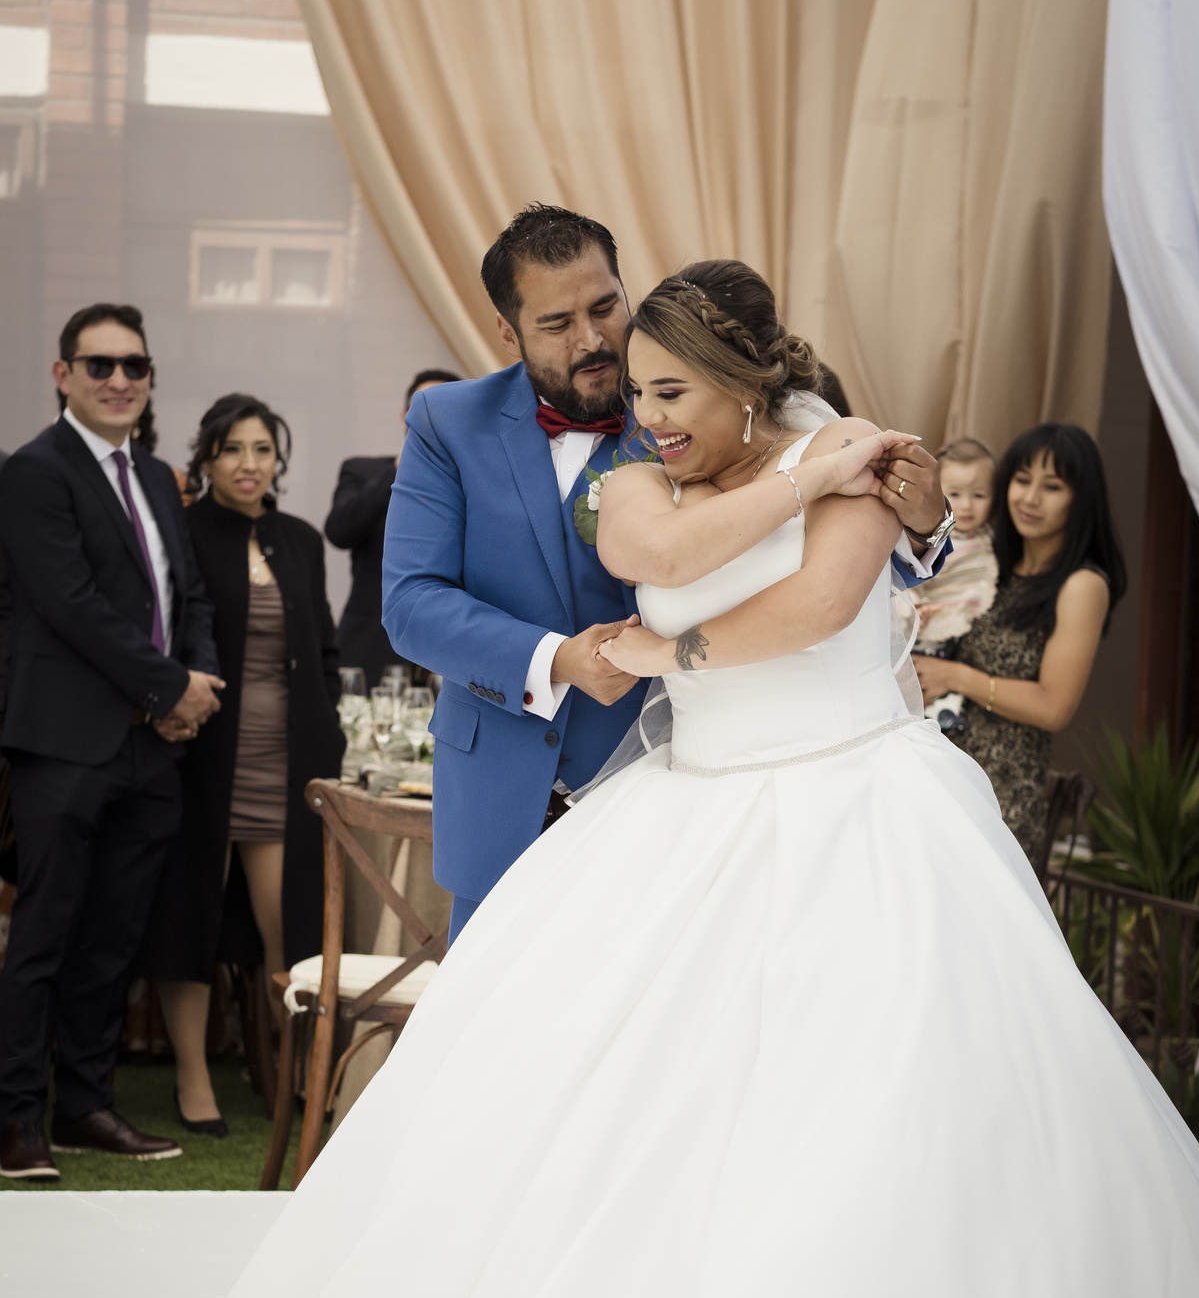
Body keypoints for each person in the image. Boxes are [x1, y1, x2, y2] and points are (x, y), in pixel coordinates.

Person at [225, 260, 1199, 1298]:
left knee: (892, 1124)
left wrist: (674, 635)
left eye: (674, 389)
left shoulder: (858, 478)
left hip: (858, 807)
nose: (650, 415)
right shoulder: (660, 476)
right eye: (638, 391)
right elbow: (653, 549)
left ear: (749, 383)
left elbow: (816, 608)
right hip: (699, 811)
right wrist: (809, 470)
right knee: (707, 1129)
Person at [381, 204, 953, 944]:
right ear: (507, 330)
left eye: (604, 306)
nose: (592, 340)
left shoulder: (696, 407)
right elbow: (411, 603)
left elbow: (831, 572)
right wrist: (554, 660)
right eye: (557, 323)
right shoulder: (445, 422)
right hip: (500, 795)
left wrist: (925, 523)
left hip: (671, 793)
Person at [0, 303, 222, 1180]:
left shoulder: (158, 479)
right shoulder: (33, 472)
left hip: (153, 751)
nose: (120, 380)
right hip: (66, 744)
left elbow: (189, 595)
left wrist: (196, 690)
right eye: (100, 366)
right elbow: (71, 606)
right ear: (63, 376)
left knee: (112, 940)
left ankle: (85, 1105)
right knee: (45, 938)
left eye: (135, 366)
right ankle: (17, 1121)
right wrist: (170, 687)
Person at [142, 395, 344, 1134]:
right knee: (187, 919)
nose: (249, 464)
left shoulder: (301, 538)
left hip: (286, 763)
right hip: (202, 757)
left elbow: (321, 646)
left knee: (287, 929)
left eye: (262, 450)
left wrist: (331, 741)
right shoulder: (184, 532)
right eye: (233, 450)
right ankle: (194, 1081)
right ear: (208, 459)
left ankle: (294, 1076)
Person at [913, 423, 1126, 862]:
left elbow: (1053, 707)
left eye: (1052, 486)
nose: (1030, 498)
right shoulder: (989, 566)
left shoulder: (1081, 585)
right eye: (1022, 480)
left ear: (1080, 498)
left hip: (1000, 794)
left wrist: (956, 676)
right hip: (941, 775)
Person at [325, 369, 462, 689]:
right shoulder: (362, 470)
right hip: (371, 649)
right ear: (404, 417)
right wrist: (402, 469)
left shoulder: (476, 484)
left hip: (452, 653)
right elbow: (338, 531)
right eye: (422, 410)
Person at [912, 438, 998, 734]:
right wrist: (913, 607)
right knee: (923, 677)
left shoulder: (988, 537)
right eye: (955, 494)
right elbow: (911, 571)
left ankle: (945, 714)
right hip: (931, 624)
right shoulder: (934, 536)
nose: (966, 505)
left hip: (964, 627)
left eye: (979, 495)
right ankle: (931, 718)